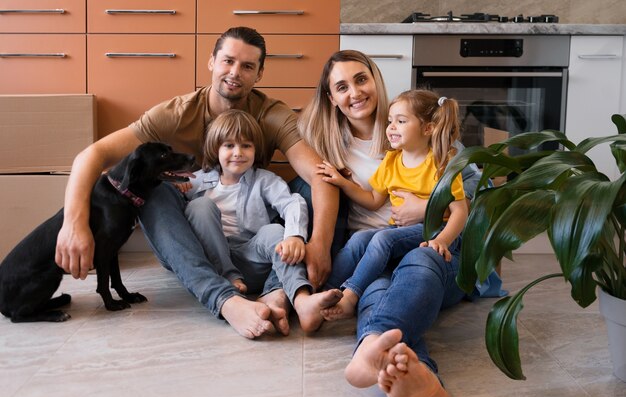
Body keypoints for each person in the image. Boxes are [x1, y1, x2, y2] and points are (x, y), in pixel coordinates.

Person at [54, 26, 339, 339]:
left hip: (250, 234)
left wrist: (319, 245)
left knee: (308, 186)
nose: (234, 72)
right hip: (188, 238)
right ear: (211, 62)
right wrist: (74, 223)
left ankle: (278, 294)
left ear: (259, 74)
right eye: (228, 61)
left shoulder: (271, 114)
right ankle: (225, 299)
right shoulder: (175, 114)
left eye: (247, 66)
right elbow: (91, 156)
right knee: (157, 189)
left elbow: (319, 176)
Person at [297, 50, 505, 397]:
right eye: (342, 87)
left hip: (433, 250)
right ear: (332, 99)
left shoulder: (425, 131)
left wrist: (426, 208)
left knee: (421, 258)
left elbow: (470, 199)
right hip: (374, 260)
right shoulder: (332, 147)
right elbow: (371, 197)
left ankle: (368, 347)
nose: (355, 92)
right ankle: (425, 383)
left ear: (375, 80)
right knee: (380, 288)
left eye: (361, 79)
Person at [182, 109, 342, 332]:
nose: (238, 153)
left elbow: (292, 202)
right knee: (199, 206)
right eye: (229, 146)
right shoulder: (198, 181)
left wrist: (294, 236)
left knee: (275, 231)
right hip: (216, 263)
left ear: (255, 150)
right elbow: (172, 206)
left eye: (246, 146)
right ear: (215, 149)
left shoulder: (263, 180)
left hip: (251, 256)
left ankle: (301, 299)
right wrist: (176, 184)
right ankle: (230, 280)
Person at [316, 90, 468, 321]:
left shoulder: (441, 163)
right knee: (359, 240)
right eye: (390, 121)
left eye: (401, 121)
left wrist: (443, 240)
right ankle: (323, 291)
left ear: (427, 128)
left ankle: (351, 294)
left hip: (436, 231)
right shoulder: (391, 160)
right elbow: (373, 200)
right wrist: (343, 183)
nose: (391, 127)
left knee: (382, 239)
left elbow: (460, 211)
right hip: (401, 231)